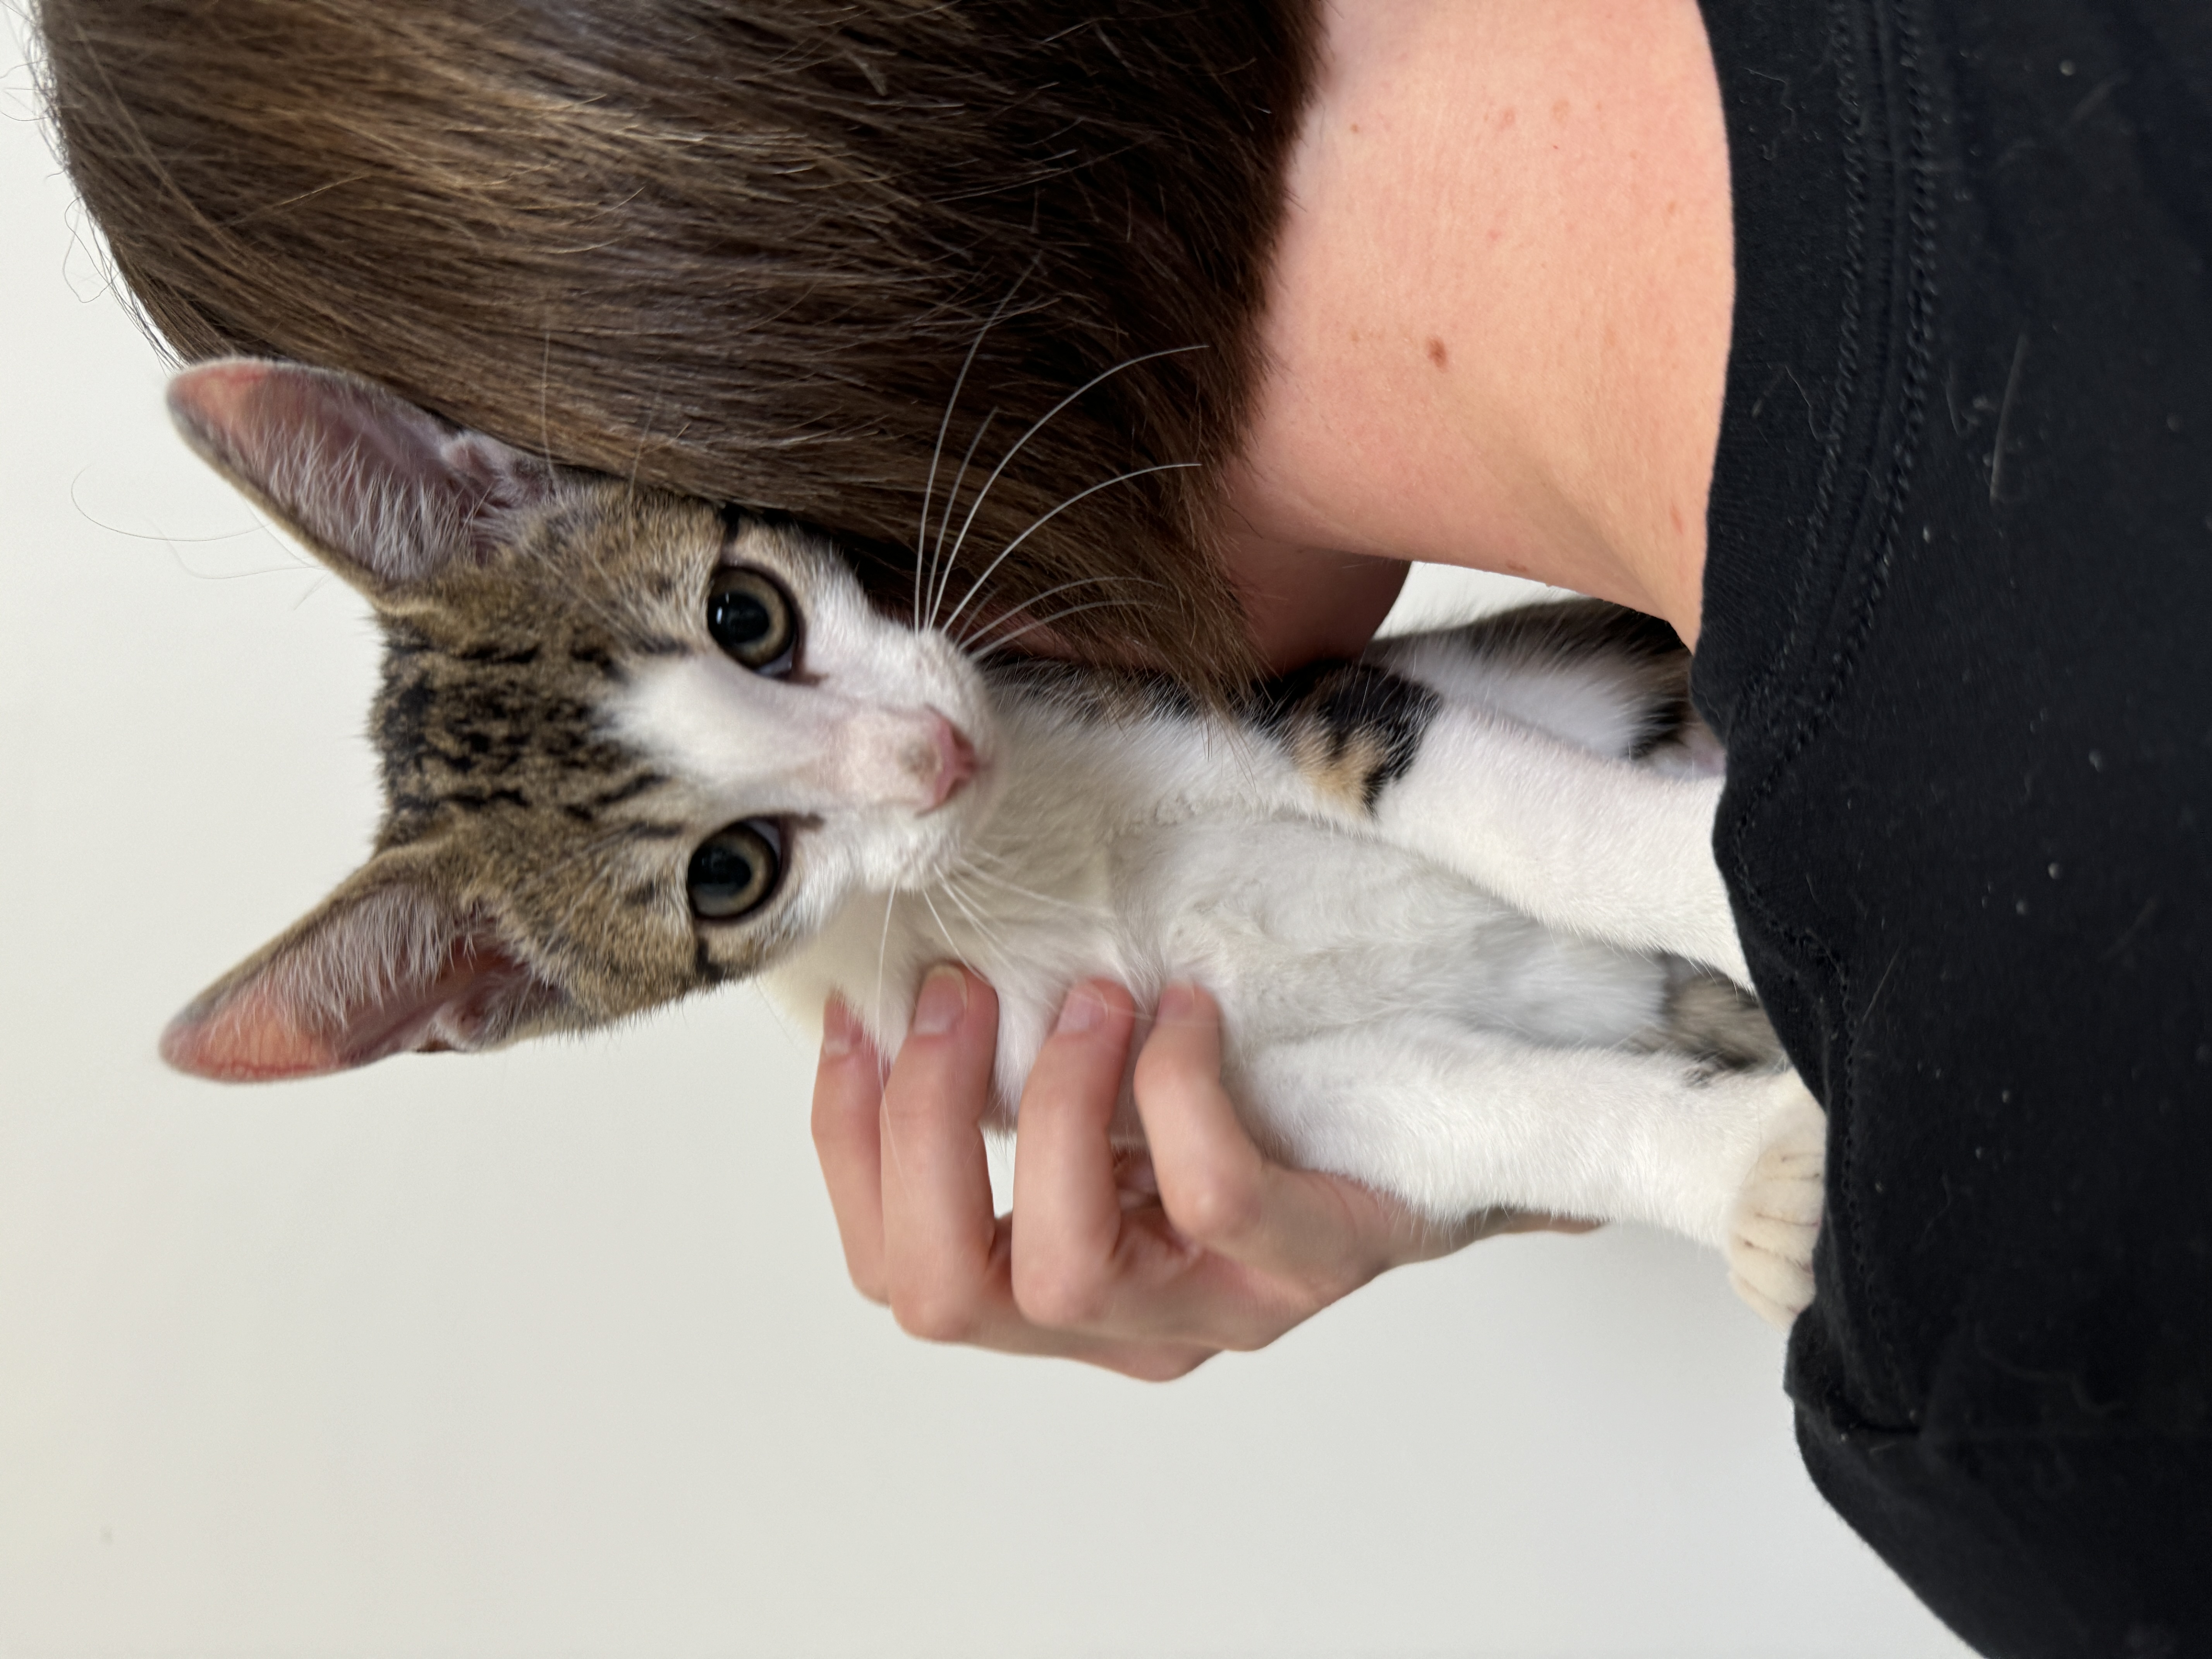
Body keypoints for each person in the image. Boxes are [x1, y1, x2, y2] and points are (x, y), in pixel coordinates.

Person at [35, 0, 2211, 1651]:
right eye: (735, 870)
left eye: (755, 606)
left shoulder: (2035, 1358)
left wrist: (1904, 1184)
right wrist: (1469, 1152)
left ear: (715, 412)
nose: (898, 764)